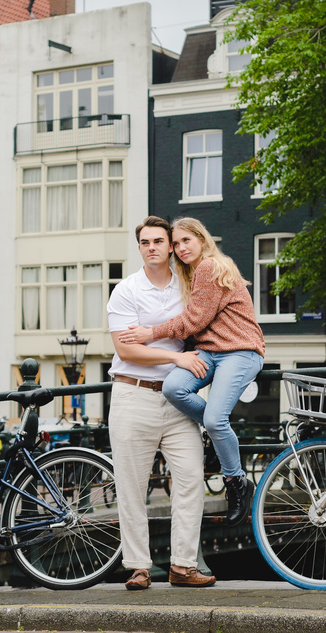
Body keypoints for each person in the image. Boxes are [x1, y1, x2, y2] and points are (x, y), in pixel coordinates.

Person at [119, 216, 265, 527]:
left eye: (187, 240)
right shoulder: (191, 274)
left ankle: (237, 482)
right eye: (177, 243)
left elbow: (193, 321)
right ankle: (220, 433)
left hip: (240, 351)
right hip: (210, 352)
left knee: (214, 417)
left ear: (202, 240)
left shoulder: (211, 267)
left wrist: (149, 333)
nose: (181, 247)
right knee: (174, 388)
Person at [107, 215, 217, 590]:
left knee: (190, 478)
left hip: (176, 400)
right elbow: (125, 347)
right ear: (139, 248)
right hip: (132, 394)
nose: (152, 247)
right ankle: (138, 566)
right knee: (132, 486)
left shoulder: (187, 287)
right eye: (145, 242)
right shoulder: (126, 291)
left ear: (171, 247)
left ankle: (182, 566)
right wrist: (176, 358)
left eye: (158, 241)